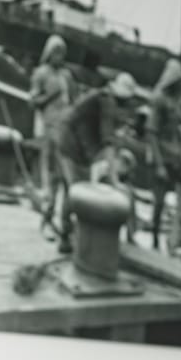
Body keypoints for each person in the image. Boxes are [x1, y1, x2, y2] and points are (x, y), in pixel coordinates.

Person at [47, 72, 143, 253]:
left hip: (80, 147)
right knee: (75, 190)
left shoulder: (103, 97)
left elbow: (106, 138)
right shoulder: (106, 101)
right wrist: (114, 179)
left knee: (77, 188)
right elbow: (107, 141)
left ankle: (72, 233)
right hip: (69, 144)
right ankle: (66, 236)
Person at [147, 58, 181, 251]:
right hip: (162, 155)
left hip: (177, 156)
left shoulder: (178, 102)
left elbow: (180, 130)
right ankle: (154, 238)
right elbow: (151, 133)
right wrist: (159, 164)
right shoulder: (158, 99)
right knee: (159, 202)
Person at [28, 34, 75, 197]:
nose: (59, 57)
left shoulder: (67, 75)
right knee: (47, 158)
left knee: (64, 160)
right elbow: (32, 101)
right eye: (56, 52)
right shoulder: (40, 73)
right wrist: (50, 96)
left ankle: (64, 192)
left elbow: (74, 100)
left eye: (62, 53)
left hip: (65, 124)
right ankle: (46, 189)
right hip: (48, 122)